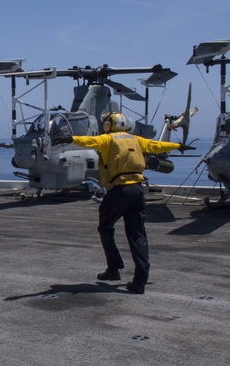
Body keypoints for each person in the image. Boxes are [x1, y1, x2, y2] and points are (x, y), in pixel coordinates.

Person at [55, 112, 191, 294]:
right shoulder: (136, 140)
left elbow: (86, 141)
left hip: (118, 191)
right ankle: (140, 280)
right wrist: (178, 145)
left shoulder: (107, 139)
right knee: (137, 236)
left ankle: (113, 268)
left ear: (108, 125)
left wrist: (68, 137)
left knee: (105, 227)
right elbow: (157, 146)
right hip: (137, 190)